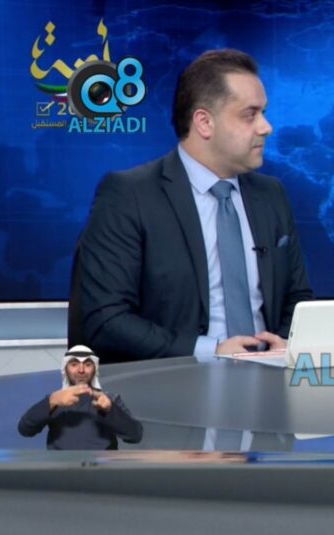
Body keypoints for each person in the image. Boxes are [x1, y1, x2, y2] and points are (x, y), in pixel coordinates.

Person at [75, 49, 313, 363]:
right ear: (204, 122)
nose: (266, 127)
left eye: (264, 113)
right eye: (250, 114)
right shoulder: (129, 195)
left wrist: (284, 343)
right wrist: (207, 351)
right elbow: (106, 319)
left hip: (268, 379)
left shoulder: (271, 195)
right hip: (173, 382)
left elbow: (297, 297)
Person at [18, 345, 143, 449]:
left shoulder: (110, 399)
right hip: (62, 469)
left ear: (94, 369)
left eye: (87, 364)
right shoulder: (56, 399)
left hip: (101, 470)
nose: (81, 370)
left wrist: (110, 410)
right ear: (65, 369)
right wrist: (51, 401)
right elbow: (25, 429)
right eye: (74, 364)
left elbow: (135, 436)